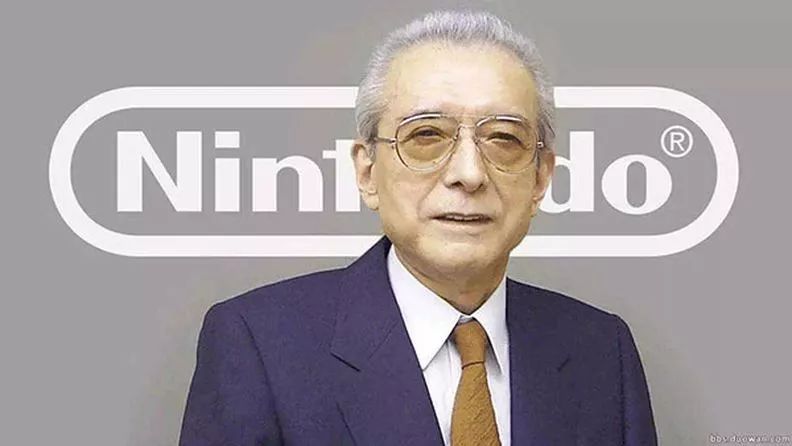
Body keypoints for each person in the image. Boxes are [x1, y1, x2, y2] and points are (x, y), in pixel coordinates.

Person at [179, 10, 657, 446]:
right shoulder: (260, 345)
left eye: (504, 139)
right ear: (367, 171)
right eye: (427, 135)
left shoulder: (601, 350)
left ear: (540, 178)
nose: (469, 173)